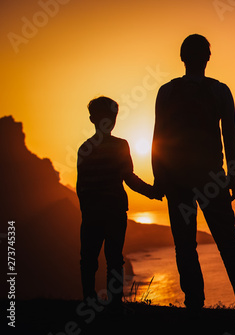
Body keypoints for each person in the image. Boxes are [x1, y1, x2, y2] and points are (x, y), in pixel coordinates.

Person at [152, 34, 235, 314]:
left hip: (177, 180)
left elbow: (158, 137)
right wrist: (233, 175)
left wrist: (158, 176)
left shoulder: (166, 91)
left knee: (185, 244)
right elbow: (230, 135)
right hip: (212, 178)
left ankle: (194, 303)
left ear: (182, 57)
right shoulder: (220, 91)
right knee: (228, 240)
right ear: (208, 57)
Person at [77, 96, 162, 312]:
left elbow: (81, 186)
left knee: (89, 259)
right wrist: (152, 192)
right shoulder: (120, 145)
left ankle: (89, 300)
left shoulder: (84, 149)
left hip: (93, 213)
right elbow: (129, 178)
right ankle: (114, 305)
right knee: (114, 259)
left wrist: (86, 211)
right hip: (114, 211)